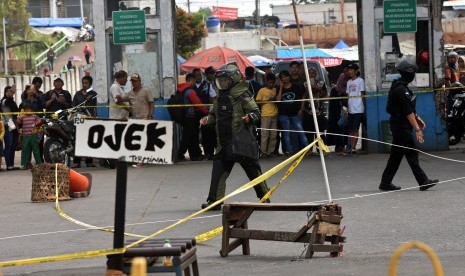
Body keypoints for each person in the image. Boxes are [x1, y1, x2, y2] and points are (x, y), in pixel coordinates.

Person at [200, 64, 270, 210]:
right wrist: (207, 120)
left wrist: (249, 117)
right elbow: (214, 115)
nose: (222, 83)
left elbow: (256, 113)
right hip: (223, 143)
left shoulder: (243, 95)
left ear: (234, 79)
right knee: (218, 174)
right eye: (220, 80)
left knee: (253, 172)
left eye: (225, 80)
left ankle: (264, 196)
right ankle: (214, 201)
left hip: (241, 142)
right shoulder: (219, 98)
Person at [379, 59, 439, 191]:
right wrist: (417, 129)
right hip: (401, 126)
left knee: (396, 155)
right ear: (409, 74)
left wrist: (417, 118)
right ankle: (423, 181)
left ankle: (385, 182)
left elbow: (407, 109)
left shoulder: (400, 86)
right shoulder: (401, 89)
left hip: (398, 124)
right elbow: (407, 111)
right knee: (411, 153)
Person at [177, 73, 209, 161]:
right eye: (194, 81)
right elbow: (198, 103)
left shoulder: (180, 89)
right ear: (192, 80)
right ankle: (180, 154)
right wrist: (206, 111)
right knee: (187, 136)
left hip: (183, 116)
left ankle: (195, 154)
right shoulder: (190, 91)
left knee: (191, 136)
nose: (195, 83)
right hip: (189, 117)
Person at [276, 70, 308, 156]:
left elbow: (303, 96)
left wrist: (301, 108)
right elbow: (278, 101)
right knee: (286, 133)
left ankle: (307, 149)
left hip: (295, 113)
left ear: (289, 77)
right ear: (280, 79)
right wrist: (281, 87)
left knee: (300, 131)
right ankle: (290, 151)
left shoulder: (296, 86)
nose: (285, 78)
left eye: (286, 76)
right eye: (283, 77)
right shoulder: (279, 88)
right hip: (283, 114)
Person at [72, 76, 98, 168]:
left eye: (86, 83)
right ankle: (77, 161)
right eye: (83, 83)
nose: (84, 85)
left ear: (90, 84)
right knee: (78, 140)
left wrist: (95, 117)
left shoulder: (94, 94)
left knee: (89, 140)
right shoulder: (78, 94)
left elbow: (95, 107)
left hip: (89, 118)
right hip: (79, 119)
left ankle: (89, 161)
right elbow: (73, 106)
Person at [193, 67, 217, 160]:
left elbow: (213, 98)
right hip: (194, 114)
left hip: (205, 113)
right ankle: (196, 154)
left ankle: (209, 153)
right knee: (195, 134)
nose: (199, 77)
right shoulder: (191, 86)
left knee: (208, 133)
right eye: (196, 75)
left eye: (200, 75)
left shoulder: (208, 85)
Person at [256, 73, 278, 158]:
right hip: (265, 115)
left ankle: (271, 151)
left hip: (274, 114)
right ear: (266, 82)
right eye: (270, 83)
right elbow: (257, 102)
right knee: (265, 134)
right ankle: (263, 152)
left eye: (273, 83)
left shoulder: (275, 90)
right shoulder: (262, 90)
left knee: (273, 135)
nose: (271, 84)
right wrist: (268, 100)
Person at [345, 63, 365, 155]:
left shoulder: (360, 81)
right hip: (351, 109)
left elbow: (362, 95)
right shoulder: (349, 82)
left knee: (355, 129)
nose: (349, 71)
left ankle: (353, 148)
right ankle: (351, 147)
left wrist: (364, 108)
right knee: (351, 129)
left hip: (358, 108)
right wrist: (348, 108)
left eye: (351, 69)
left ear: (356, 71)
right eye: (349, 70)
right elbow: (348, 95)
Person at [17, 103, 43, 170]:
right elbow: (17, 122)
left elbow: (40, 122)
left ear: (32, 110)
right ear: (24, 110)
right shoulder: (22, 117)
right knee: (25, 151)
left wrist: (38, 136)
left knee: (36, 150)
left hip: (33, 136)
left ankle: (39, 164)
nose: (28, 111)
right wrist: (19, 131)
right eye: (26, 110)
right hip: (25, 136)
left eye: (29, 109)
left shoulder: (35, 117)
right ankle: (25, 165)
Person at [1, 85, 20, 171]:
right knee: (8, 145)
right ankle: (8, 165)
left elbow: (16, 111)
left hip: (14, 125)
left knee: (13, 145)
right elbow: (9, 111)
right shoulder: (4, 101)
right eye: (9, 91)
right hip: (7, 125)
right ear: (5, 92)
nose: (11, 93)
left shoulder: (12, 101)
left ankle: (11, 165)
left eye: (11, 92)